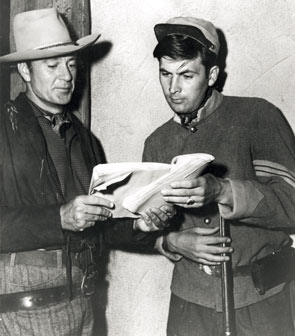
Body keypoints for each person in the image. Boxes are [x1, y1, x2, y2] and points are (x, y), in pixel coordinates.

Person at [0, 8, 175, 336]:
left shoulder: (84, 138)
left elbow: (99, 226)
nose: (66, 76)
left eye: (71, 64)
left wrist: (139, 224)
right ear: (24, 69)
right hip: (23, 306)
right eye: (52, 66)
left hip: (82, 301)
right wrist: (59, 218)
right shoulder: (4, 129)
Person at [143, 17, 295, 336]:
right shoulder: (157, 143)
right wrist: (170, 242)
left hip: (260, 300)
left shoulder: (258, 117)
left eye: (186, 75)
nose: (173, 88)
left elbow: (292, 205)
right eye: (165, 74)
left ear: (211, 74)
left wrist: (224, 191)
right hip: (190, 304)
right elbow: (149, 225)